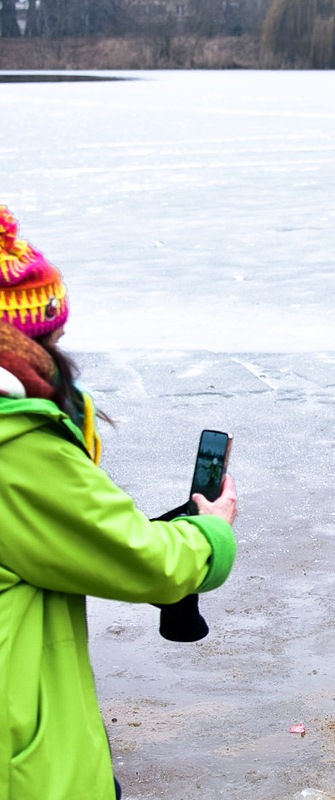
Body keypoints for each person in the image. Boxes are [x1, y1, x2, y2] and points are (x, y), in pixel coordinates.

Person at [0, 206, 239, 799]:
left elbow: (59, 536)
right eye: (50, 338)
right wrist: (210, 533)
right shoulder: (14, 447)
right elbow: (139, 560)